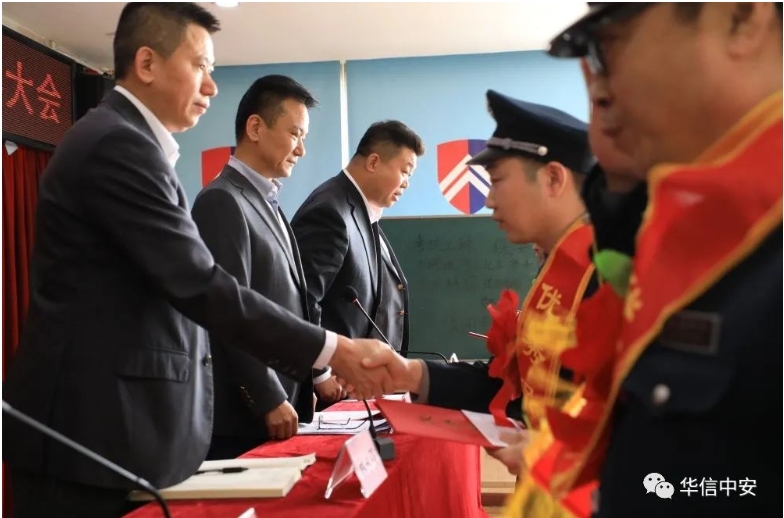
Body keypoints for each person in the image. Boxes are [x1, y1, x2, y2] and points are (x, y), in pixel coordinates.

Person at [2, 4, 398, 517]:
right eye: (201, 66)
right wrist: (332, 349)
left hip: (118, 434)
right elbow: (200, 283)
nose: (211, 87)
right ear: (147, 63)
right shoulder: (117, 145)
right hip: (90, 436)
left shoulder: (131, 144)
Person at [516, 3, 782, 517]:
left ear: (741, 17)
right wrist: (618, 181)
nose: (600, 88)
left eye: (609, 43)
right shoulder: (706, 224)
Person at [365, 89, 598, 471]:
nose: (488, 200)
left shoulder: (613, 274)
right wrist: (410, 373)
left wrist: (557, 453)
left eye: (498, 180)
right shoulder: (561, 265)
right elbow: (520, 385)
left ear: (553, 179)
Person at [191, 75, 345, 460]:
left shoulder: (269, 202)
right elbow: (225, 312)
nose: (302, 149)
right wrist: (267, 396)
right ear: (256, 128)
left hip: (284, 407)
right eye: (295, 134)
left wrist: (307, 379)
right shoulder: (222, 201)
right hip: (245, 418)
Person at [291, 121, 424, 358]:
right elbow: (302, 303)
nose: (406, 183)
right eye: (404, 172)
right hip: (334, 375)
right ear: (373, 162)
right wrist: (323, 370)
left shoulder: (361, 210)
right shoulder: (329, 211)